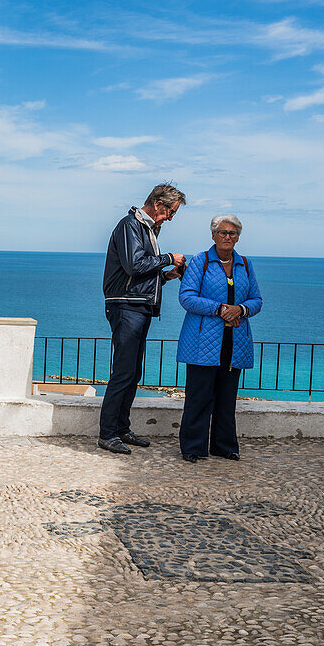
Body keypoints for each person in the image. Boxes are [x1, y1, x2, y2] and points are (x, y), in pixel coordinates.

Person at [99, 183, 187, 455]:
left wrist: (167, 275)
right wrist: (169, 257)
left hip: (137, 305)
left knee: (133, 372)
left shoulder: (147, 229)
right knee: (123, 372)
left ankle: (122, 429)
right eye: (170, 212)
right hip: (126, 307)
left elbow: (139, 276)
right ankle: (108, 434)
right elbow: (134, 265)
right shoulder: (130, 225)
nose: (170, 218)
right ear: (159, 204)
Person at [177, 215, 262, 463]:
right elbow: (187, 297)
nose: (228, 237)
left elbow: (257, 300)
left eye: (232, 233)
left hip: (234, 344)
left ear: (238, 237)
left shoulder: (245, 264)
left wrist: (241, 310)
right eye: (223, 232)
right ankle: (193, 447)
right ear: (213, 235)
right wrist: (220, 308)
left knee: (227, 399)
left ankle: (224, 446)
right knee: (199, 397)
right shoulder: (200, 262)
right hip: (203, 343)